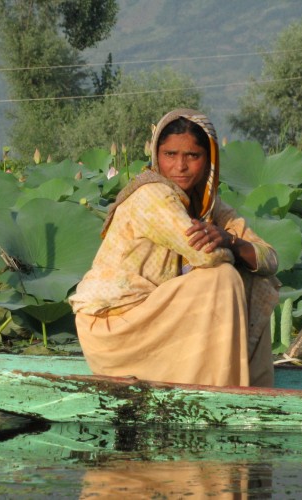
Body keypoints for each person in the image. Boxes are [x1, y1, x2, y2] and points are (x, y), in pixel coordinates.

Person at [69, 108, 280, 387]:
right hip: (115, 328)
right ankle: (219, 388)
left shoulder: (208, 205)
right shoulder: (152, 194)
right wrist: (231, 248)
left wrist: (231, 240)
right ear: (157, 156)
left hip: (154, 321)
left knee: (255, 279)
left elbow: (269, 259)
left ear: (209, 161)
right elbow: (206, 255)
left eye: (192, 156)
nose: (180, 166)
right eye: (170, 155)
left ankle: (248, 385)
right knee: (222, 277)